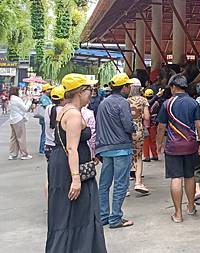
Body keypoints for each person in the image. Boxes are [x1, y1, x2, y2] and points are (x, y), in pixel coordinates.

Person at [46, 73, 106, 253]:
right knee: (79, 212)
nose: (92, 93)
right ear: (80, 92)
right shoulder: (72, 114)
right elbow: (71, 148)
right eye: (90, 90)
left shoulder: (63, 110)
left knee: (67, 213)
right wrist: (76, 178)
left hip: (62, 165)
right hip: (71, 168)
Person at [157, 74, 200, 223]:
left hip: (173, 146)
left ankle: (178, 214)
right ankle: (191, 207)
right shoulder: (194, 103)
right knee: (189, 176)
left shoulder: (167, 104)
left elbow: (161, 127)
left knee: (176, 178)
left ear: (173, 87)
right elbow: (199, 125)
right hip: (190, 145)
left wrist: (158, 143)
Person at [95, 73, 136, 228]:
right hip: (121, 148)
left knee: (104, 184)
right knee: (121, 183)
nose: (130, 88)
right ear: (124, 87)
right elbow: (127, 125)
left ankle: (103, 216)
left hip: (105, 149)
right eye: (128, 85)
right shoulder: (123, 103)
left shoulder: (103, 103)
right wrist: (135, 127)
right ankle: (115, 218)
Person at [127, 79, 151, 194]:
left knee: (127, 156)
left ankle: (125, 187)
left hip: (128, 130)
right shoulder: (143, 100)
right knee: (138, 156)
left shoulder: (126, 101)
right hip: (139, 129)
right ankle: (138, 182)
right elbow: (147, 117)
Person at [8, 86, 32, 160]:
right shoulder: (17, 99)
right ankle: (24, 154)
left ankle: (13, 154)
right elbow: (25, 108)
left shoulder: (11, 99)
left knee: (13, 138)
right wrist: (29, 101)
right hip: (18, 120)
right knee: (21, 137)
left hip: (12, 120)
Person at [37, 83, 54, 155]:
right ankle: (42, 149)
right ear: (46, 90)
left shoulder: (47, 97)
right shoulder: (44, 97)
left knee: (45, 133)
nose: (51, 90)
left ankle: (43, 148)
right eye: (49, 89)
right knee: (44, 133)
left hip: (45, 118)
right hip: (44, 118)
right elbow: (46, 105)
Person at [142, 88, 159, 162]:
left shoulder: (144, 103)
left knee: (146, 141)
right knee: (153, 140)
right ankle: (155, 155)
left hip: (146, 125)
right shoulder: (157, 103)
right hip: (153, 124)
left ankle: (146, 156)